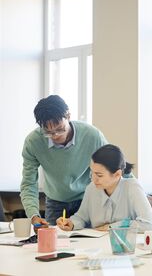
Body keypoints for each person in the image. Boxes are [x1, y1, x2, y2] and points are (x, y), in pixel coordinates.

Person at [20, 95, 133, 226]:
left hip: (88, 199)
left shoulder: (91, 135)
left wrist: (138, 192)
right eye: (48, 132)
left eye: (59, 129)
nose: (55, 136)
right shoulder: (33, 142)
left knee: (91, 239)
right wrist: (33, 215)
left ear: (68, 116)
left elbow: (115, 163)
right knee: (54, 241)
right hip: (56, 202)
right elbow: (28, 183)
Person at [56, 144, 152, 232]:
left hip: (126, 248)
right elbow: (82, 217)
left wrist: (112, 227)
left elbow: (148, 225)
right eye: (92, 172)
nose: (94, 179)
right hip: (97, 247)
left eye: (99, 175)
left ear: (117, 174)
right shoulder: (91, 188)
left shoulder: (132, 187)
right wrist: (71, 223)